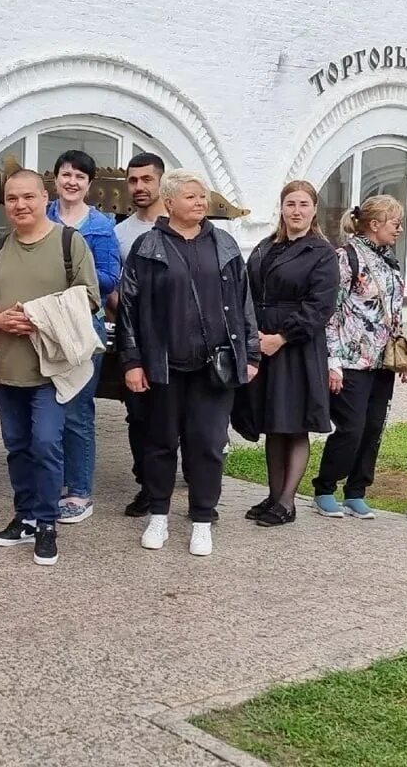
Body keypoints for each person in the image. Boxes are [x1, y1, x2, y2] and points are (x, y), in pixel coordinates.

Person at [119, 169, 258, 557]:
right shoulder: (148, 247)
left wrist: (250, 354)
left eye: (203, 197)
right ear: (171, 202)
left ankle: (202, 519)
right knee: (160, 442)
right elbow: (129, 308)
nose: (201, 203)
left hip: (214, 368)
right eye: (193, 197)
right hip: (164, 365)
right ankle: (159, 514)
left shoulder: (225, 244)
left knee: (209, 444)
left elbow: (245, 303)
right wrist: (132, 361)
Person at [0, 169, 100, 566]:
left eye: (28, 197)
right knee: (17, 447)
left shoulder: (69, 242)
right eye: (12, 199)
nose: (20, 205)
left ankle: (47, 525)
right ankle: (25, 515)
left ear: (44, 197)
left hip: (52, 369)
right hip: (9, 368)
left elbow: (91, 298)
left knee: (46, 444)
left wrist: (43, 318)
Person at [240, 181, 339, 527]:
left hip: (297, 346)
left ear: (314, 210)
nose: (296, 210)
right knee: (273, 422)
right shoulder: (266, 246)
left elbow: (320, 306)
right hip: (262, 339)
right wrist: (254, 335)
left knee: (294, 424)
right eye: (290, 204)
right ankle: (272, 494)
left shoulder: (322, 253)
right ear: (281, 208)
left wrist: (281, 337)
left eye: (303, 204)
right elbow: (247, 291)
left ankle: (287, 501)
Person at [313, 196, 407, 519]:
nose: (399, 228)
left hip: (381, 361)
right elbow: (331, 312)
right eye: (394, 222)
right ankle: (325, 487)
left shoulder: (388, 260)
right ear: (374, 224)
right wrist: (332, 361)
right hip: (351, 361)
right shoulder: (346, 257)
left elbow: (392, 309)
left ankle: (357, 491)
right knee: (351, 428)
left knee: (373, 427)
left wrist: (401, 354)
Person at [45, 150, 120, 524]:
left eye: (79, 176)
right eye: (65, 174)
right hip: (44, 323)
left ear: (89, 184)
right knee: (45, 407)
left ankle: (78, 490)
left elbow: (109, 279)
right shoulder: (43, 217)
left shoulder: (101, 227)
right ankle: (49, 481)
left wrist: (71, 273)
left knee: (76, 411)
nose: (71, 181)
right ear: (56, 179)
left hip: (80, 324)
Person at [112, 152, 166, 518]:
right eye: (133, 181)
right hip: (137, 336)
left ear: (161, 181)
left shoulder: (177, 224)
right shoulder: (120, 233)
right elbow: (116, 288)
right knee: (139, 416)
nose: (139, 187)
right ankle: (147, 485)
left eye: (147, 179)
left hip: (177, 336)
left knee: (176, 417)